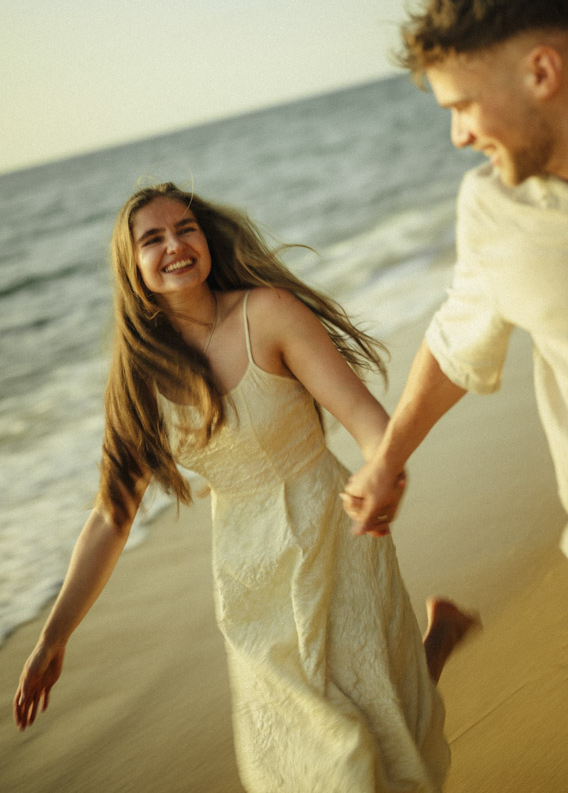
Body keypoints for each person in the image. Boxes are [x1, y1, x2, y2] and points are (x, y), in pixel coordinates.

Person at [13, 182, 478, 793]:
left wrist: (382, 468)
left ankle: (432, 648)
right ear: (131, 267)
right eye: (153, 239)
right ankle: (435, 644)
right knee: (325, 750)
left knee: (372, 714)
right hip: (248, 573)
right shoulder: (138, 379)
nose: (176, 246)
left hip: (335, 536)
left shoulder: (268, 312)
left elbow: (366, 420)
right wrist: (53, 636)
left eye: (186, 229)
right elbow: (111, 518)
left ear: (205, 237)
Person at [341, 0, 568, 774]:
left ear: (540, 72)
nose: (456, 134)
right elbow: (460, 338)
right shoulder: (490, 209)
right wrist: (387, 461)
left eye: (460, 105)